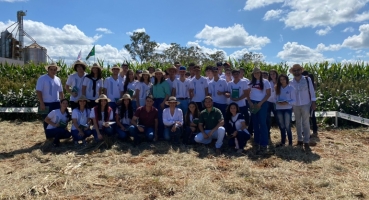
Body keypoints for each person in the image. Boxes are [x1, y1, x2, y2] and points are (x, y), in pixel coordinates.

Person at [289, 64, 316, 150]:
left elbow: (311, 91)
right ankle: (299, 140)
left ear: (301, 71)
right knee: (298, 123)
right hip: (295, 104)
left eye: (298, 70)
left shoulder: (307, 80)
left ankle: (306, 141)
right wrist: (291, 105)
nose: (296, 72)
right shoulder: (291, 82)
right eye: (295, 70)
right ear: (293, 72)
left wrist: (313, 102)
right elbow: (290, 94)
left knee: (305, 122)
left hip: (306, 103)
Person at [247, 67, 271, 155]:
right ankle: (256, 142)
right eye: (255, 73)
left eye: (258, 72)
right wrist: (249, 102)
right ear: (253, 74)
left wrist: (261, 103)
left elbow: (268, 94)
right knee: (255, 123)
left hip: (262, 104)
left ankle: (264, 143)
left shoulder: (265, 82)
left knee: (263, 123)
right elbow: (247, 94)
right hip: (253, 104)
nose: (256, 74)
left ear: (260, 73)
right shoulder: (250, 83)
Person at [36, 62, 64, 131]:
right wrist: (41, 103)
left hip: (56, 103)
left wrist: (62, 101)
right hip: (46, 103)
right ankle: (48, 135)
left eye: (54, 70)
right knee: (46, 119)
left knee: (56, 119)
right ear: (48, 70)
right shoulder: (42, 78)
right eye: (51, 69)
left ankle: (56, 134)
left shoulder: (58, 79)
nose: (53, 71)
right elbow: (38, 91)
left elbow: (61, 91)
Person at [274, 74, 296, 147]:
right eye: (281, 79)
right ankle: (283, 142)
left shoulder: (291, 88)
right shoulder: (277, 88)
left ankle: (290, 143)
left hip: (287, 109)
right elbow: (275, 98)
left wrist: (287, 102)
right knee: (281, 126)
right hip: (279, 109)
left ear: (287, 80)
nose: (282, 81)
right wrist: (277, 102)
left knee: (287, 125)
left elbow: (294, 100)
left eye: (284, 79)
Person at [152, 68, 171, 137]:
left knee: (160, 117)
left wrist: (163, 102)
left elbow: (168, 94)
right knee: (155, 117)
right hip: (155, 101)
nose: (158, 75)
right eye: (157, 74)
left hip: (162, 100)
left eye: (160, 74)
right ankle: (155, 133)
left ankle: (161, 134)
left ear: (162, 75)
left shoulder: (165, 83)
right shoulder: (154, 84)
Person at [302, 70, 318, 137]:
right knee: (312, 116)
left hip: (309, 101)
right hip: (311, 101)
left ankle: (307, 131)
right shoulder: (312, 83)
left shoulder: (309, 82)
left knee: (307, 117)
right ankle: (314, 130)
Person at [266, 69, 279, 138]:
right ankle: (267, 133)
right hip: (268, 102)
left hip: (276, 102)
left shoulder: (279, 82)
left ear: (276, 74)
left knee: (278, 118)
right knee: (268, 118)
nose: (272, 75)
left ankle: (283, 133)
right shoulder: (268, 82)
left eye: (273, 74)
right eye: (271, 74)